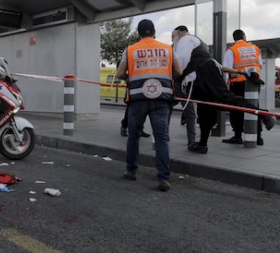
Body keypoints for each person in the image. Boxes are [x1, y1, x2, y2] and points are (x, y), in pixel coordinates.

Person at [171, 25, 276, 154]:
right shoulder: (198, 46)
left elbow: (180, 65)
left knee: (226, 100)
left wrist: (173, 79)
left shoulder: (185, 39)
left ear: (181, 32)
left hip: (202, 76)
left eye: (173, 36)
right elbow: (220, 66)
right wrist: (241, 72)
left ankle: (264, 115)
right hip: (206, 74)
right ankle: (202, 144)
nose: (172, 40)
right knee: (206, 110)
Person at [117, 19, 182, 192]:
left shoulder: (130, 50)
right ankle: (164, 178)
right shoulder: (168, 49)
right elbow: (178, 72)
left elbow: (120, 73)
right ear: (154, 32)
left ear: (138, 33)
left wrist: (132, 77)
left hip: (137, 98)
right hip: (161, 98)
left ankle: (131, 171)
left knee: (133, 136)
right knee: (162, 138)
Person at [222, 29, 264, 145]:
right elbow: (260, 64)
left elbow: (226, 68)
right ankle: (259, 137)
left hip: (238, 83)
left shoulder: (232, 50)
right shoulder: (255, 48)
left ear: (234, 38)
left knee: (237, 109)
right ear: (244, 36)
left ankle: (237, 136)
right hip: (254, 83)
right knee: (254, 107)